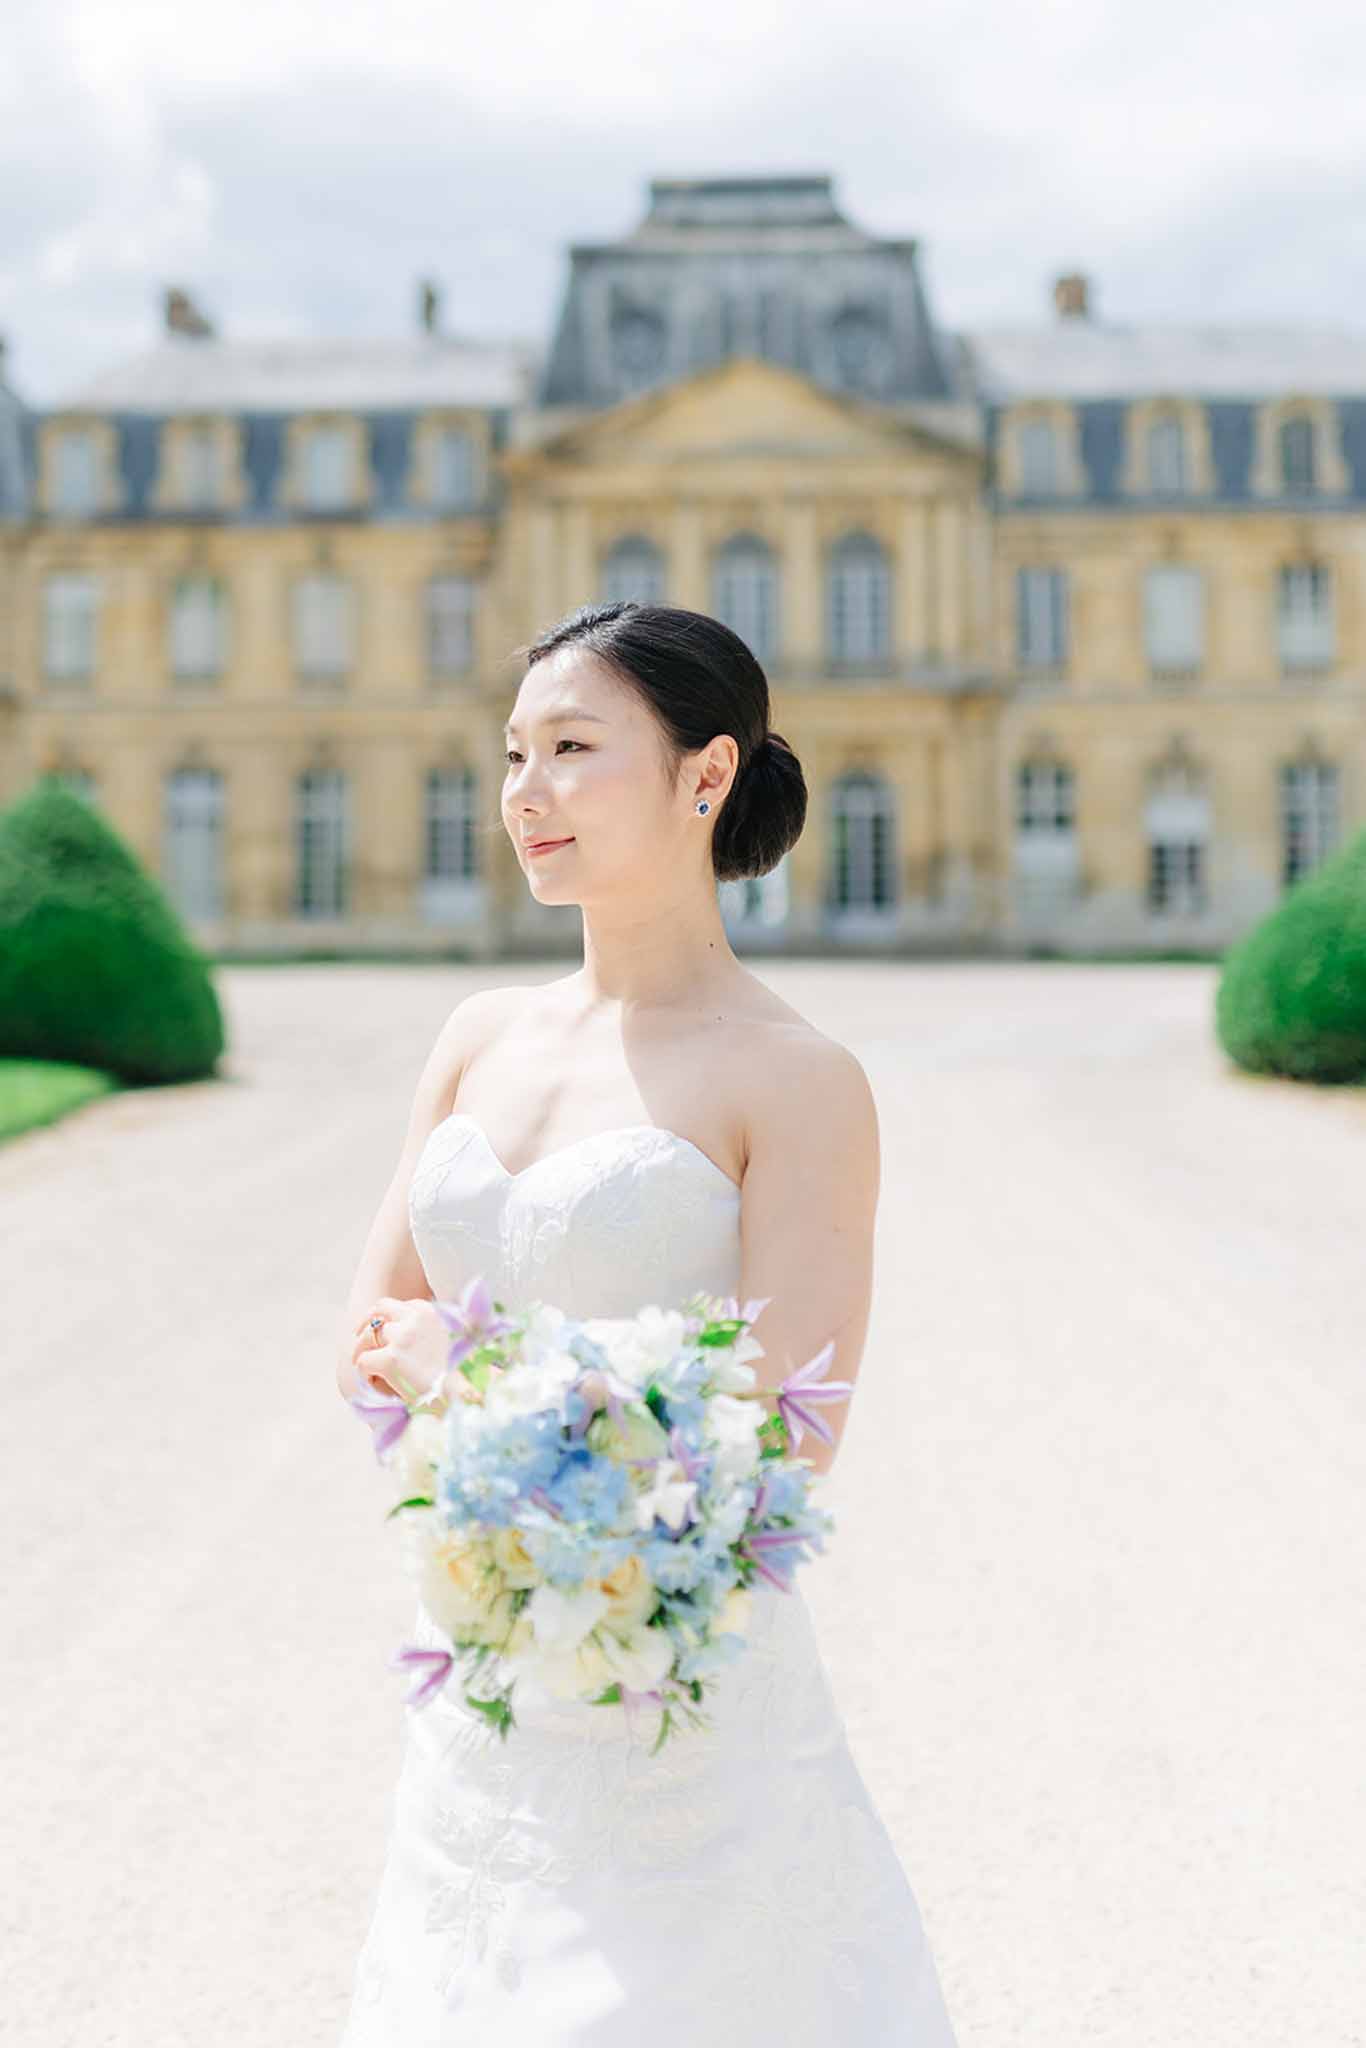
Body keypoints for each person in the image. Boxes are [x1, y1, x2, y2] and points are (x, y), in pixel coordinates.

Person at [335, 601, 959, 2045]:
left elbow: (787, 1445)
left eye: (570, 748)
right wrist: (495, 1487)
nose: (524, 794)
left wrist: (475, 1378)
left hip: (681, 1679)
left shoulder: (794, 1079)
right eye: (511, 754)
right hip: (481, 1658)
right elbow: (371, 1342)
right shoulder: (475, 1037)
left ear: (704, 775)